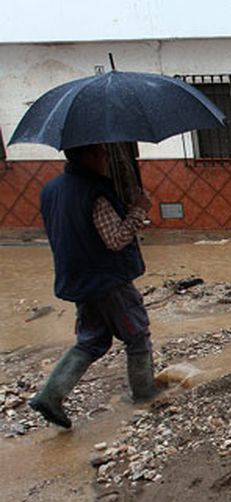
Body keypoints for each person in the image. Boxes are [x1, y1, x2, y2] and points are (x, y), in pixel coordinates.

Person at [29, 143, 161, 429]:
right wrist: (138, 211)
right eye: (101, 153)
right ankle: (145, 394)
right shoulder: (95, 192)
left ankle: (50, 395)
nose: (105, 158)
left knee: (92, 340)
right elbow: (115, 239)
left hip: (78, 279)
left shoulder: (51, 190)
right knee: (136, 334)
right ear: (88, 155)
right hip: (108, 279)